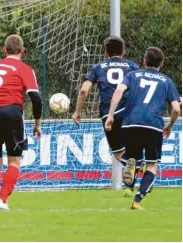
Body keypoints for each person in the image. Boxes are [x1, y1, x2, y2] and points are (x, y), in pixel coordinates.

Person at [105, 47, 180, 210]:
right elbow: (176, 109)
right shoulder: (166, 81)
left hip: (130, 123)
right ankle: (137, 201)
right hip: (153, 125)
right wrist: (169, 126)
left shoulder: (133, 75)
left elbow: (119, 91)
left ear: (144, 62)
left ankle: (132, 169)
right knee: (152, 166)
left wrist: (110, 115)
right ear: (161, 63)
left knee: (132, 157)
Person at [0, 34, 42, 210]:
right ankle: (2, 200)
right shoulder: (25, 68)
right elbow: (36, 98)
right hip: (12, 112)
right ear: (23, 51)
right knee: (13, 161)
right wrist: (37, 123)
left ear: (4, 50)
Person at [72, 36, 140, 196]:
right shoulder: (131, 66)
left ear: (105, 53)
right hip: (130, 111)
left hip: (110, 112)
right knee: (133, 147)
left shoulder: (98, 67)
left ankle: (132, 165)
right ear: (124, 52)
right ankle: (136, 167)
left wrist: (78, 111)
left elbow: (84, 90)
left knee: (118, 152)